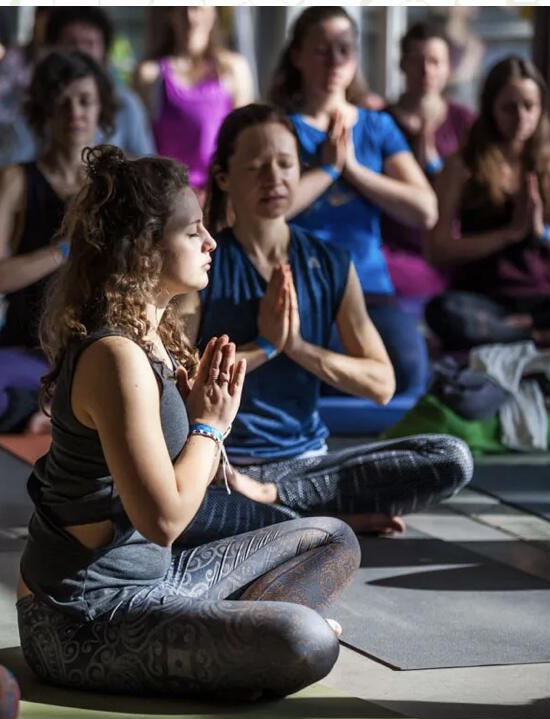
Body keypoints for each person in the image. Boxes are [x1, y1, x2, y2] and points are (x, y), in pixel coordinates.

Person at [17, 144, 360, 698]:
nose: (211, 242)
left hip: (158, 582)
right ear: (145, 250)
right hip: (82, 619)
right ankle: (251, 636)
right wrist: (210, 425)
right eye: (193, 231)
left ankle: (235, 633)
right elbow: (165, 520)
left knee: (331, 538)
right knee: (306, 641)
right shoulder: (114, 355)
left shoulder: (152, 337)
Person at [181, 104, 472, 542]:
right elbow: (177, 381)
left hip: (307, 464)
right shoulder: (204, 263)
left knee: (450, 456)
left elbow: (381, 384)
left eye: (285, 164)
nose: (274, 178)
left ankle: (277, 503)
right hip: (223, 463)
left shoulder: (330, 263)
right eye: (257, 166)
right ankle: (309, 516)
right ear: (223, 177)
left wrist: (297, 347)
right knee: (177, 504)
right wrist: (266, 347)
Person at [0, 51, 116, 434]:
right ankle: (60, 409)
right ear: (43, 111)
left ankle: (61, 408)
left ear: (101, 108)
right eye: (62, 102)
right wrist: (65, 250)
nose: (75, 113)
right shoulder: (13, 181)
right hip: (29, 349)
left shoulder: (120, 181)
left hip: (101, 349)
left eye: (85, 101)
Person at [270, 6, 437, 397]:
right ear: (297, 56)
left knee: (410, 374)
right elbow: (264, 210)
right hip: (302, 286)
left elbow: (425, 209)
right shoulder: (277, 127)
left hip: (369, 286)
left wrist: (354, 171)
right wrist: (326, 172)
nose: (335, 60)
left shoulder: (377, 125)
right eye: (322, 49)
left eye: (344, 49)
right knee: (302, 379)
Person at [422, 56, 550, 351]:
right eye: (509, 108)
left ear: (541, 109)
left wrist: (542, 233)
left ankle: (524, 331)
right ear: (490, 108)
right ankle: (540, 337)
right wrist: (509, 234)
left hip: (541, 301)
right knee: (442, 311)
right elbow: (436, 249)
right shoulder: (462, 165)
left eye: (530, 106)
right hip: (481, 300)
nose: (521, 117)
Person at [381, 21, 475, 299]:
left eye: (435, 62)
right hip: (397, 250)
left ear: (448, 68)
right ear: (402, 64)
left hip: (453, 248)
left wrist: (436, 169)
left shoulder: (464, 121)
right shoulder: (381, 122)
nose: (427, 70)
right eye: (418, 60)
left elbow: (478, 189)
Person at [134, 6, 253, 194]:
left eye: (198, 7)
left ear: (214, 11)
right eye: (182, 8)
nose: (190, 16)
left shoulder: (233, 68)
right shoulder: (149, 73)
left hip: (220, 192)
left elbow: (245, 139)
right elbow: (140, 144)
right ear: (171, 13)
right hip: (167, 194)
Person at [45, 7, 154, 157]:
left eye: (89, 43)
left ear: (105, 50)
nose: (80, 51)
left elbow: (145, 163)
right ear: (52, 48)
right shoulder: (37, 99)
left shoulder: (126, 104)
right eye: (71, 43)